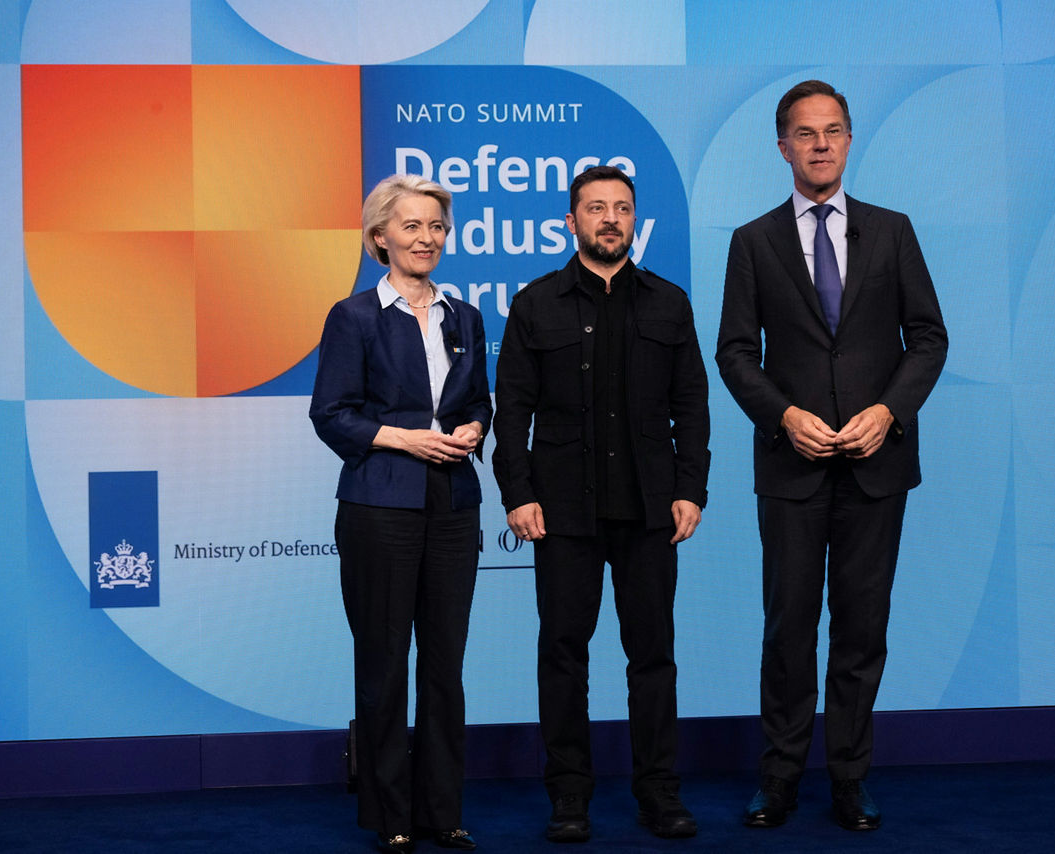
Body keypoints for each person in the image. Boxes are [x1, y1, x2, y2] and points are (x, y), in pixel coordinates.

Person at [715, 80, 948, 832]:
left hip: (878, 467)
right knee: (788, 629)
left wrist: (889, 410)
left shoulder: (893, 230)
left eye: (834, 130)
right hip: (791, 467)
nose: (821, 144)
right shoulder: (752, 242)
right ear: (782, 146)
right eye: (805, 133)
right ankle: (778, 779)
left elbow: (929, 337)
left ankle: (850, 779)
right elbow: (733, 352)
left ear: (850, 141)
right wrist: (784, 416)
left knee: (861, 628)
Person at [492, 165, 711, 842]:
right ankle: (568, 797)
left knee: (653, 656)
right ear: (571, 221)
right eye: (595, 208)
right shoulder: (535, 305)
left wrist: (689, 487)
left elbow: (692, 407)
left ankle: (659, 793)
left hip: (650, 510)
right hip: (563, 513)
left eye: (621, 208)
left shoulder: (670, 303)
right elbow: (512, 414)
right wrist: (518, 494)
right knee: (562, 654)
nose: (609, 218)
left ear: (634, 221)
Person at [309, 174, 491, 854]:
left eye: (437, 227)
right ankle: (389, 813)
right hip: (379, 506)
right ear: (379, 236)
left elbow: (479, 401)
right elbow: (331, 415)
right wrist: (404, 437)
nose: (427, 238)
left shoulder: (464, 315)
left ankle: (443, 810)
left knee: (445, 664)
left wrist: (474, 428)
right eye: (412, 226)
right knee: (384, 662)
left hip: (453, 506)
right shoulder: (353, 316)